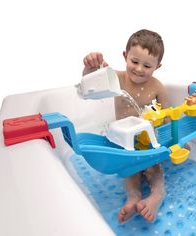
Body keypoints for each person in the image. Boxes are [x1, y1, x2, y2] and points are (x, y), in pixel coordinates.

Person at [82, 29, 169, 223]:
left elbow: (167, 117)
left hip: (148, 142)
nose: (139, 69)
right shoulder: (117, 79)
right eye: (134, 62)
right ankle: (134, 196)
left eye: (147, 65)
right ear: (125, 56)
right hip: (123, 142)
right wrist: (90, 66)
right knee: (129, 169)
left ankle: (156, 195)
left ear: (158, 66)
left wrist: (175, 140)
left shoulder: (157, 87)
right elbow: (90, 83)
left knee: (153, 168)